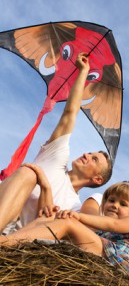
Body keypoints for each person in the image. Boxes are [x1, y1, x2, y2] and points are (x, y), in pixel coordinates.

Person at [0, 52, 112, 233]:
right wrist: (83, 72)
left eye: (94, 159)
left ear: (97, 179)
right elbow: (70, 114)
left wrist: (45, 186)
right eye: (90, 153)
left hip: (17, 240)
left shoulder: (75, 209)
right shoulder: (56, 158)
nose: (86, 155)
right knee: (28, 174)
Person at [0, 181, 129, 277]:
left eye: (123, 204)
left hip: (118, 262)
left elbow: (113, 224)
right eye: (111, 200)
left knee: (68, 224)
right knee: (52, 219)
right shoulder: (102, 233)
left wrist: (78, 217)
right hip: (103, 254)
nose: (115, 205)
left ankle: (4, 243)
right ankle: (13, 241)